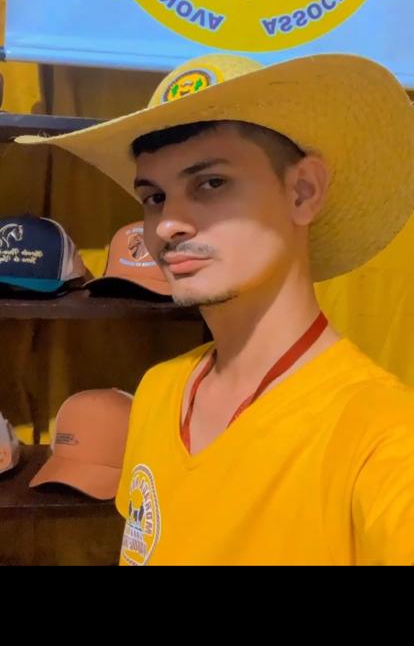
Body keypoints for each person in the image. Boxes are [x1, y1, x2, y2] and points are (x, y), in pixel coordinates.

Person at [18, 51, 414, 565]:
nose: (166, 225)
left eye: (210, 183)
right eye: (154, 197)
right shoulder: (159, 390)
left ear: (303, 191)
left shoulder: (382, 433)